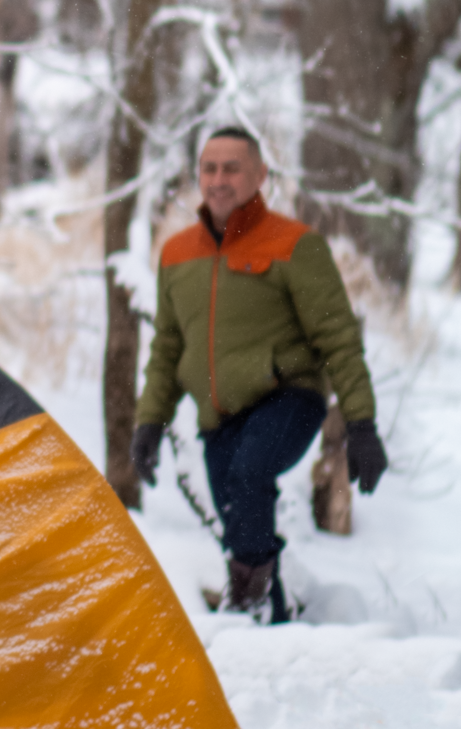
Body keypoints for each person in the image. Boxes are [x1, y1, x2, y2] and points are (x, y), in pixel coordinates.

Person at [129, 125, 388, 620]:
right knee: (241, 523)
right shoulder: (178, 254)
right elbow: (167, 348)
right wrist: (148, 423)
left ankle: (244, 609)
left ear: (260, 176)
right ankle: (272, 619)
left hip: (288, 397)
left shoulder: (295, 244)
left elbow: (338, 340)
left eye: (233, 168)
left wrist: (361, 425)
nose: (219, 179)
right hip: (218, 415)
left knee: (250, 478)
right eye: (210, 168)